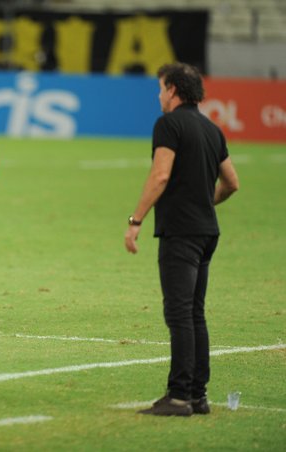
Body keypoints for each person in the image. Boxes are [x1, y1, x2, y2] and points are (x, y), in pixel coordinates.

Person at [124, 62, 239, 416]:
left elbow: (160, 175)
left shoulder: (168, 125)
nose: (159, 95)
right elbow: (232, 182)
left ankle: (177, 396)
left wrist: (136, 219)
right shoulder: (211, 128)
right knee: (195, 312)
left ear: (173, 89)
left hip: (182, 233)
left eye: (161, 88)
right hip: (207, 232)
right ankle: (197, 395)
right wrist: (206, 203)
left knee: (179, 313)